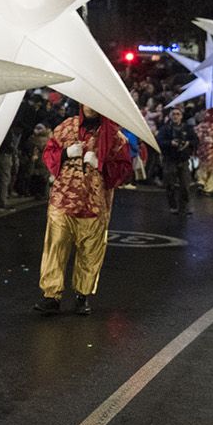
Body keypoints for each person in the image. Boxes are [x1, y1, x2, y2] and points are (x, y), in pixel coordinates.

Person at [34, 103, 133, 316]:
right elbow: (48, 152)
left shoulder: (114, 136)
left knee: (90, 251)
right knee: (56, 247)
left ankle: (82, 295)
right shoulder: (67, 127)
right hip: (63, 202)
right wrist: (64, 154)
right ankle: (51, 296)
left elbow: (124, 169)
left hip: (95, 204)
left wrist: (101, 165)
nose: (90, 105)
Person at [157, 105, 197, 216]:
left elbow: (195, 140)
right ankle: (173, 205)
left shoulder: (187, 128)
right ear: (170, 116)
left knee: (185, 184)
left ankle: (184, 206)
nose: (175, 116)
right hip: (170, 160)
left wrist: (188, 143)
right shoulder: (165, 128)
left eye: (178, 114)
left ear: (181, 116)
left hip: (183, 160)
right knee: (169, 184)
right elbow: (159, 141)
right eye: (173, 114)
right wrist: (170, 143)